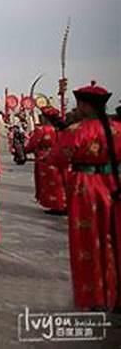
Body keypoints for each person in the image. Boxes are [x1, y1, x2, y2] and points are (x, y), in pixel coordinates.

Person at [48, 82, 121, 311]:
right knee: (114, 238)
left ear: (85, 106)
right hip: (114, 184)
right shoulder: (117, 129)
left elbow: (57, 158)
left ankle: (94, 295)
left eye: (79, 104)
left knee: (88, 239)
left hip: (86, 186)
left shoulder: (78, 131)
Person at [25, 106, 67, 215]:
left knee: (50, 183)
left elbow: (33, 144)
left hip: (45, 158)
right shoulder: (61, 130)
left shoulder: (42, 129)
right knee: (60, 181)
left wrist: (25, 150)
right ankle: (64, 203)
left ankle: (56, 206)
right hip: (61, 156)